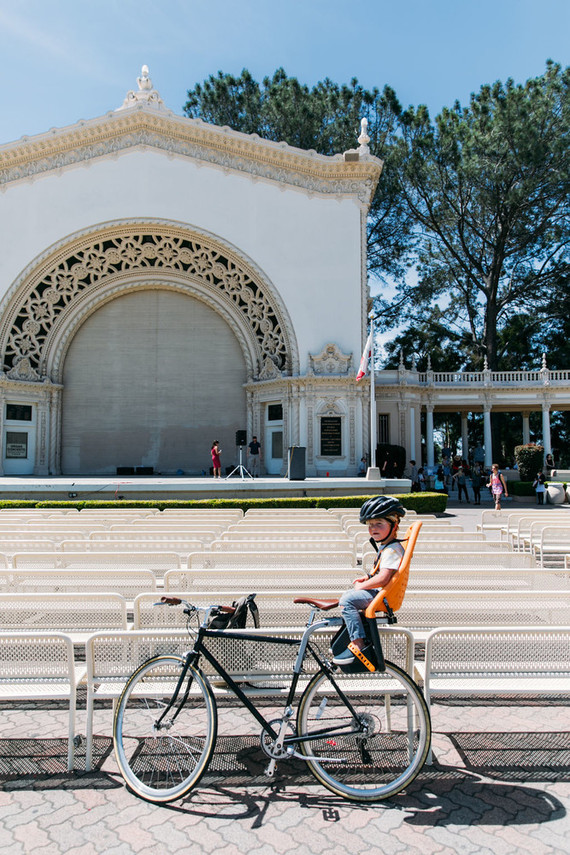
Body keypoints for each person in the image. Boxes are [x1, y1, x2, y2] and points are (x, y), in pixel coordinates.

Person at [333, 496, 405, 666]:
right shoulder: (387, 546)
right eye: (370, 525)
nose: (373, 529)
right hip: (382, 594)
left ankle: (359, 643)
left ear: (394, 525)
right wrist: (368, 578)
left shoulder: (392, 549)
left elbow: (384, 578)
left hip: (383, 597)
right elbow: (383, 573)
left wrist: (362, 585)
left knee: (347, 600)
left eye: (379, 524)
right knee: (349, 596)